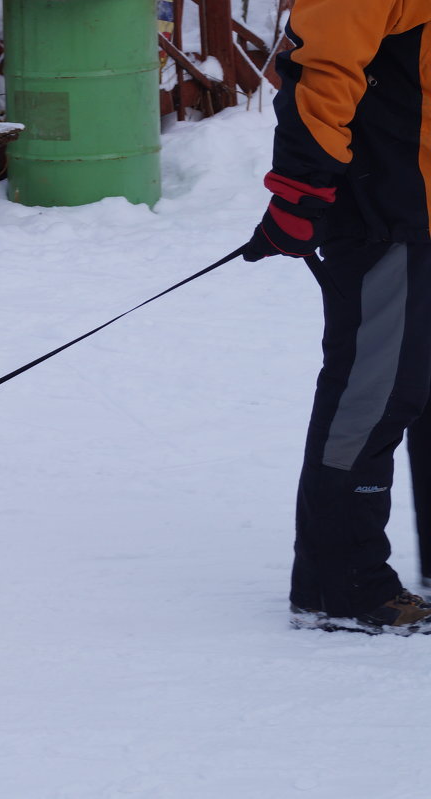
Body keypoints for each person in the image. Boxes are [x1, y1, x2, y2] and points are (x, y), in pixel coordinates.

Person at [243, 1, 431, 633]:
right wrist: (300, 191)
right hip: (391, 209)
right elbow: (321, 70)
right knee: (374, 396)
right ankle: (341, 585)